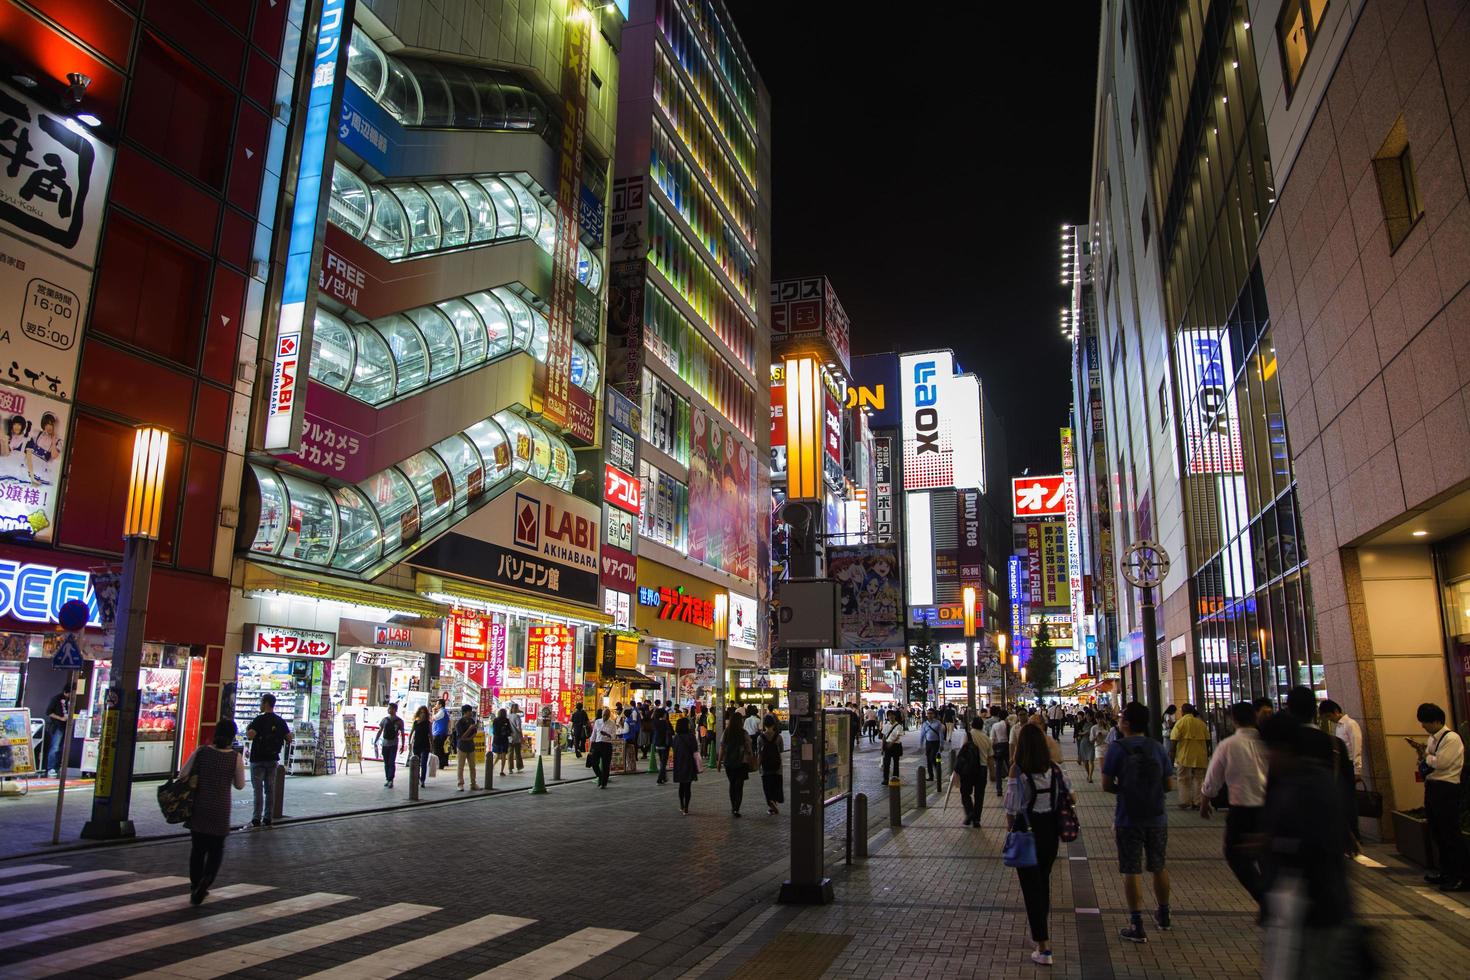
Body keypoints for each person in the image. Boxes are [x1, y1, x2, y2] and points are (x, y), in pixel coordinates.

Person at [1102, 701, 1174, 943]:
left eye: (1121, 718)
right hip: (1157, 816)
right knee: (1159, 865)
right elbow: (1169, 784)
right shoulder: (1157, 747)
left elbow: (1106, 784)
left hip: (1128, 817)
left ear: (1127, 723)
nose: (1119, 721)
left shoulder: (1117, 748)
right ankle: (1164, 915)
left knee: (1131, 869)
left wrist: (1126, 789)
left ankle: (1136, 923)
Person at [1004, 723, 1074, 966]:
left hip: (1026, 831)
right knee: (1043, 883)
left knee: (1031, 889)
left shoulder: (1017, 771)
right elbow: (1071, 796)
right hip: (1050, 832)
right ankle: (1039, 935)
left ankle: (1043, 946)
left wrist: (1010, 831)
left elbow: (1011, 808)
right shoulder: (1055, 769)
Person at [1200, 701, 1269, 914]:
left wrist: (1205, 801)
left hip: (1242, 810)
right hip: (1269, 810)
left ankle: (1265, 899)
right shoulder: (1268, 743)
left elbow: (1213, 778)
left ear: (1233, 720)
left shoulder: (1228, 745)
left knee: (1235, 855)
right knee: (1266, 856)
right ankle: (1272, 898)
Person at [176, 718, 246, 906]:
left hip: (199, 806)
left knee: (197, 850)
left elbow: (183, 774)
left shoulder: (202, 752)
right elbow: (240, 785)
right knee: (216, 850)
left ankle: (194, 885)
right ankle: (206, 881)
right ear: (232, 737)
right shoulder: (235, 758)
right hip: (221, 808)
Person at [1408, 702, 1467, 891]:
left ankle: (1461, 876)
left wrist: (1428, 758)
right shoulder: (1433, 738)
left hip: (1447, 789)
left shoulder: (1452, 738)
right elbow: (1431, 759)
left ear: (1436, 721)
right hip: (1432, 787)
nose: (1422, 726)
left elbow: (1441, 762)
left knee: (1450, 833)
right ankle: (1446, 872)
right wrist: (1428, 758)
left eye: (1425, 722)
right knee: (1437, 832)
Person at [245, 693, 292, 827]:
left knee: (258, 790)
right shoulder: (280, 721)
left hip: (258, 759)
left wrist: (248, 729)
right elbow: (289, 738)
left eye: (261, 702)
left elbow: (250, 736)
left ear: (265, 703)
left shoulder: (259, 720)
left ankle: (256, 818)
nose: (260, 705)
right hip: (272, 759)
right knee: (270, 789)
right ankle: (268, 817)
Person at [1169, 703, 1211, 810]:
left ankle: (1185, 801)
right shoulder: (1201, 723)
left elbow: (1173, 742)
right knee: (1199, 779)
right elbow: (1208, 741)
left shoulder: (1180, 723)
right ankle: (1198, 801)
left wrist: (1171, 759)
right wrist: (1207, 753)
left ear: (1182, 712)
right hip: (1200, 755)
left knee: (1183, 778)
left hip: (1185, 755)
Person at [956, 715, 994, 827]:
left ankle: (970, 812)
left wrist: (957, 769)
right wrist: (992, 772)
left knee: (965, 793)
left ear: (972, 725)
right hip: (982, 769)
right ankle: (976, 819)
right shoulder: (986, 738)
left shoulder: (967, 735)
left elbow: (962, 751)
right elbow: (990, 757)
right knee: (979, 795)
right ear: (982, 725)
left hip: (968, 769)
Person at [717, 714, 752, 817]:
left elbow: (722, 747)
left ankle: (733, 806)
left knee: (732, 785)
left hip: (729, 763)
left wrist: (719, 762)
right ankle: (737, 808)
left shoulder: (726, 732)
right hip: (741, 763)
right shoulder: (743, 733)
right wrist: (750, 758)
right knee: (739, 786)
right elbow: (749, 748)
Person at [671, 716, 700, 814]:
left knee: (681, 786)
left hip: (679, 763)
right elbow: (695, 749)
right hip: (689, 763)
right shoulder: (691, 736)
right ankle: (686, 807)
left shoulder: (676, 737)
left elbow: (674, 749)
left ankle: (681, 805)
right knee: (688, 786)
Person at [758, 714, 784, 815]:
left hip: (765, 766)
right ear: (774, 725)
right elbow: (781, 751)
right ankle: (774, 803)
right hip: (777, 767)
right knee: (776, 786)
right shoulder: (779, 737)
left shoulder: (760, 738)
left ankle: (771, 804)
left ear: (764, 725)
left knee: (767, 786)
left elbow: (760, 754)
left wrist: (758, 765)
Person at [374, 702, 404, 788]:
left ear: (395, 710)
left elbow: (402, 733)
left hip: (393, 744)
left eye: (390, 708)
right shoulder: (385, 719)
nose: (388, 709)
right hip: (385, 743)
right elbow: (380, 730)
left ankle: (391, 779)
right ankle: (388, 779)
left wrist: (402, 745)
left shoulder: (399, 721)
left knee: (391, 762)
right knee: (386, 762)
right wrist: (376, 740)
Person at [42, 686, 68, 777]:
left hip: (66, 727)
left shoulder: (70, 700)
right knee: (55, 747)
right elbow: (48, 712)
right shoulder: (56, 698)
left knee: (61, 748)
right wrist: (61, 718)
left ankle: (56, 768)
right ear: (65, 691)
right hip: (57, 726)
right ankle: (50, 768)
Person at [454, 705, 480, 791]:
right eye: (469, 711)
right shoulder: (459, 723)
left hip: (471, 746)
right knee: (460, 766)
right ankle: (460, 784)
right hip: (462, 746)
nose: (471, 713)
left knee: (472, 766)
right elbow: (461, 736)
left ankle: (473, 783)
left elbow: (475, 732)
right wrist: (469, 729)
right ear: (465, 712)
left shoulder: (472, 720)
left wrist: (470, 737)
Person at [590, 707, 616, 788]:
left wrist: (607, 734)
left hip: (607, 745)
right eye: (604, 715)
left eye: (607, 715)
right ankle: (600, 776)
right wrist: (591, 745)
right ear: (602, 714)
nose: (605, 717)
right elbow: (594, 734)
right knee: (594, 763)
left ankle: (604, 783)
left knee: (606, 765)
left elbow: (614, 736)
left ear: (609, 715)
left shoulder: (612, 723)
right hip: (597, 744)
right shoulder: (597, 722)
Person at [409, 706, 432, 787]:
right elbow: (411, 733)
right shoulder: (416, 722)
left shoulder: (428, 723)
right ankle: (417, 777)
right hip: (417, 744)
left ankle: (422, 780)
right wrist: (409, 743)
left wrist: (432, 746)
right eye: (421, 712)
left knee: (424, 763)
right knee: (416, 763)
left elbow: (430, 735)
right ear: (419, 713)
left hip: (425, 745)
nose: (422, 714)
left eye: (424, 713)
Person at [920, 709, 945, 784]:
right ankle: (931, 776)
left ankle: (938, 773)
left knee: (933, 758)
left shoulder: (938, 723)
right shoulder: (925, 724)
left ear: (934, 714)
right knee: (928, 760)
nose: (929, 715)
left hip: (936, 743)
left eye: (931, 713)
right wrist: (921, 745)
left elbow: (941, 734)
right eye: (928, 713)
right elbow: (922, 735)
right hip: (928, 743)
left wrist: (941, 744)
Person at [991, 706, 1011, 798]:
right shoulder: (1010, 725)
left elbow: (992, 739)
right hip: (1008, 747)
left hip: (999, 747)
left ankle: (999, 789)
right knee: (1011, 768)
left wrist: (992, 749)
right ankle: (1012, 787)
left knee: (998, 769)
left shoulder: (996, 725)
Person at [881, 709, 905, 783]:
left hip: (896, 745)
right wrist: (882, 747)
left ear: (895, 716)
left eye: (892, 715)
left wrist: (892, 742)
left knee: (896, 762)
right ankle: (885, 779)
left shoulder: (899, 726)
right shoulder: (886, 725)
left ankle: (895, 777)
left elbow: (898, 736)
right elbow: (884, 737)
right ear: (887, 717)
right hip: (887, 745)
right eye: (889, 715)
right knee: (886, 763)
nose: (890, 717)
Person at [653, 708, 673, 784]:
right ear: (663, 714)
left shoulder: (655, 722)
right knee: (663, 763)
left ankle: (664, 778)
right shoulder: (666, 723)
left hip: (657, 744)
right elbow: (671, 732)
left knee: (662, 761)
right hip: (665, 744)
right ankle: (660, 778)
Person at [491, 708, 512, 777]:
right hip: (504, 740)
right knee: (503, 756)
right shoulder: (506, 720)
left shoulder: (495, 720)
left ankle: (492, 766)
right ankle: (501, 771)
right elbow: (509, 731)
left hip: (496, 740)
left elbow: (494, 731)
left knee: (498, 755)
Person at [431, 698, 451, 769]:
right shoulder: (442, 711)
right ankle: (442, 763)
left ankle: (440, 763)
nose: (435, 705)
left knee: (438, 748)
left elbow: (433, 718)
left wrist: (433, 711)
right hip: (440, 732)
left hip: (439, 733)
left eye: (437, 704)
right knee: (440, 748)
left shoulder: (442, 711)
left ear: (440, 705)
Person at [507, 702, 525, 772]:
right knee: (517, 753)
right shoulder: (517, 717)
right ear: (516, 709)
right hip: (516, 737)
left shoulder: (508, 716)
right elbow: (519, 728)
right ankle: (519, 767)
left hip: (509, 737)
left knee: (510, 753)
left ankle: (510, 768)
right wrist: (521, 737)